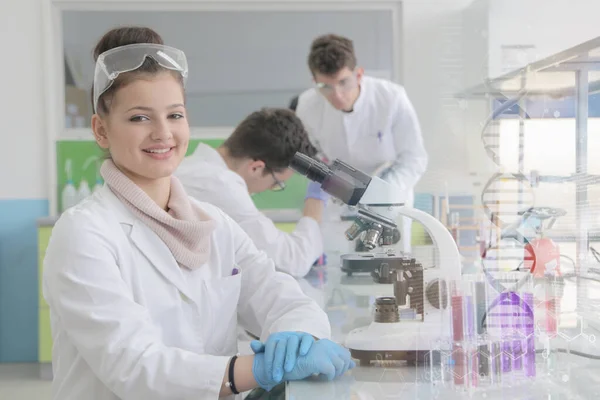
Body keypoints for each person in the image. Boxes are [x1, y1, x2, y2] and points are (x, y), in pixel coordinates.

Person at [42, 27, 354, 400]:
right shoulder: (83, 234)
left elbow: (282, 296)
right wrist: (259, 368)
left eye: (175, 115)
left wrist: (298, 336)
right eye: (139, 118)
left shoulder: (213, 223)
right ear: (101, 130)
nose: (163, 134)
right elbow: (135, 367)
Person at [295, 34, 428, 253]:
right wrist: (327, 181)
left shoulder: (391, 98)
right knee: (339, 270)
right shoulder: (308, 105)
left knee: (390, 267)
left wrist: (380, 192)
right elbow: (311, 155)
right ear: (314, 82)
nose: (336, 95)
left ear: (359, 74)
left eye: (343, 82)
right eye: (325, 86)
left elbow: (413, 158)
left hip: (389, 201)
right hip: (337, 206)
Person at [176, 108, 328, 278]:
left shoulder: (190, 168)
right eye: (276, 183)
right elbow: (294, 261)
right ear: (256, 168)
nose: (271, 189)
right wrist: (314, 206)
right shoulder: (223, 187)